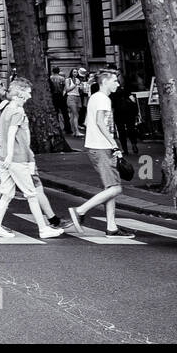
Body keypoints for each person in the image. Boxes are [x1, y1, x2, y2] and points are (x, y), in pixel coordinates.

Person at [0, 77, 63, 239]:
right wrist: (14, 156)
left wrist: (5, 156)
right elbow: (12, 133)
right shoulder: (18, 111)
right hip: (16, 158)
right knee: (31, 194)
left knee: (6, 194)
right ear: (20, 92)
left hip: (4, 158)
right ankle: (43, 229)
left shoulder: (6, 109)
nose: (29, 96)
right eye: (27, 93)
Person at [67, 69, 134, 238]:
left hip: (96, 146)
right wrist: (113, 144)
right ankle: (80, 211)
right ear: (105, 82)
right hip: (102, 147)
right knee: (116, 188)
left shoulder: (95, 98)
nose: (118, 84)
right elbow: (99, 122)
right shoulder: (103, 99)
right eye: (115, 81)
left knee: (109, 187)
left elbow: (89, 122)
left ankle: (111, 227)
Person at [110, 81, 140, 156]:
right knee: (131, 128)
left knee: (121, 131)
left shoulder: (112, 93)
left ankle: (125, 149)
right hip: (129, 112)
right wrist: (136, 112)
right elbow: (133, 100)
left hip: (118, 113)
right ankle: (133, 143)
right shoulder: (126, 90)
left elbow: (111, 105)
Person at [65, 69, 83, 137]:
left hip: (78, 97)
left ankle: (73, 131)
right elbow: (67, 89)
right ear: (71, 72)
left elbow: (79, 91)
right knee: (76, 115)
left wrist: (81, 88)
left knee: (73, 115)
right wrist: (75, 84)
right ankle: (77, 131)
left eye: (76, 72)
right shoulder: (68, 80)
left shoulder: (78, 80)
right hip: (71, 97)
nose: (75, 73)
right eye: (74, 72)